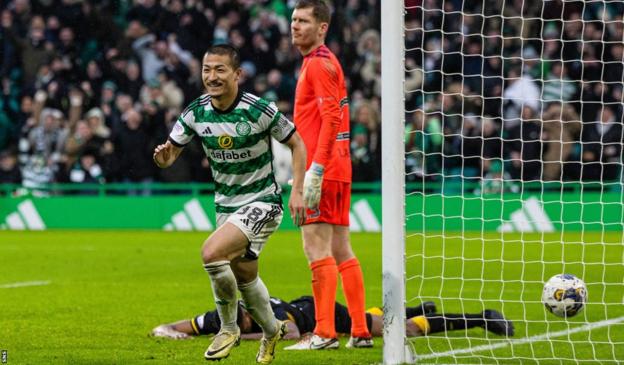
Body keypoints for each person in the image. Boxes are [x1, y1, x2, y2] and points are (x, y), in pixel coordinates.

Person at [153, 44, 308, 364]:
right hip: (226, 207)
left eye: (220, 70)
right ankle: (271, 330)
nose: (212, 76)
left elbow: (296, 142)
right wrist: (165, 159)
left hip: (263, 201)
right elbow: (170, 154)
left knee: (211, 253)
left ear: (237, 74)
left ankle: (228, 328)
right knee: (245, 278)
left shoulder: (258, 109)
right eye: (207, 70)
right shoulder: (195, 112)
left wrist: (298, 190)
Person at [287, 0, 372, 350]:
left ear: (322, 28)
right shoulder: (323, 62)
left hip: (322, 168)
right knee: (341, 247)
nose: (295, 26)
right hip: (339, 166)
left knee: (314, 246)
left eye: (304, 21)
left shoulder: (318, 65)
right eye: (293, 19)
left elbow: (332, 119)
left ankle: (323, 332)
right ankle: (361, 331)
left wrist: (314, 170)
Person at [151, 297, 515, 340]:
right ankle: (416, 308)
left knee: (399, 333)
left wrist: (235, 340)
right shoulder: (219, 316)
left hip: (324, 312)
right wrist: (167, 332)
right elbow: (166, 327)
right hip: (309, 307)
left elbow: (291, 333)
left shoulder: (266, 313)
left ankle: (481, 318)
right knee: (376, 322)